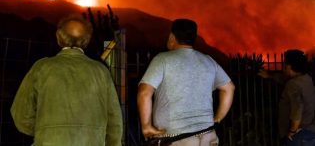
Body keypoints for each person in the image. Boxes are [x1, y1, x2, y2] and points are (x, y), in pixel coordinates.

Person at [11, 15, 123, 146]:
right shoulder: (101, 72)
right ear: (87, 40)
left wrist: (46, 131)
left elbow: (20, 115)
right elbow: (115, 122)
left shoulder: (42, 68)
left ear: (59, 36)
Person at [137, 18, 235, 146]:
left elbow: (144, 93)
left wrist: (146, 126)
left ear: (172, 37)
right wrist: (217, 119)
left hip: (176, 139)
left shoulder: (162, 60)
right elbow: (229, 88)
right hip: (208, 136)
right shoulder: (208, 61)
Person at [259, 49, 315, 146]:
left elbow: (297, 109)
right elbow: (286, 80)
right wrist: (270, 75)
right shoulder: (307, 79)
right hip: (309, 132)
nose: (283, 66)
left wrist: (292, 131)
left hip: (298, 136)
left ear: (289, 66)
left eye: (285, 63)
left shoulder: (293, 85)